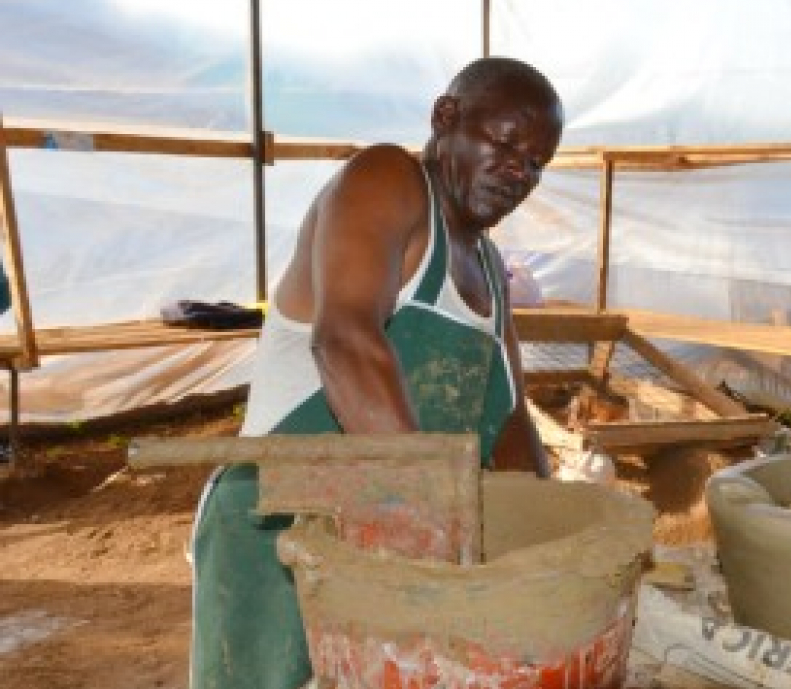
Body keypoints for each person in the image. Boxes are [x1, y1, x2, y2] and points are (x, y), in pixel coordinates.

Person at [190, 57, 563, 689]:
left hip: (403, 552)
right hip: (282, 539)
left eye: (535, 163)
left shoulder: (493, 274)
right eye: (504, 144)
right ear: (446, 118)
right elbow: (347, 343)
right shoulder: (387, 181)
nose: (518, 173)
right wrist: (434, 537)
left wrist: (550, 539)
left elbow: (509, 426)